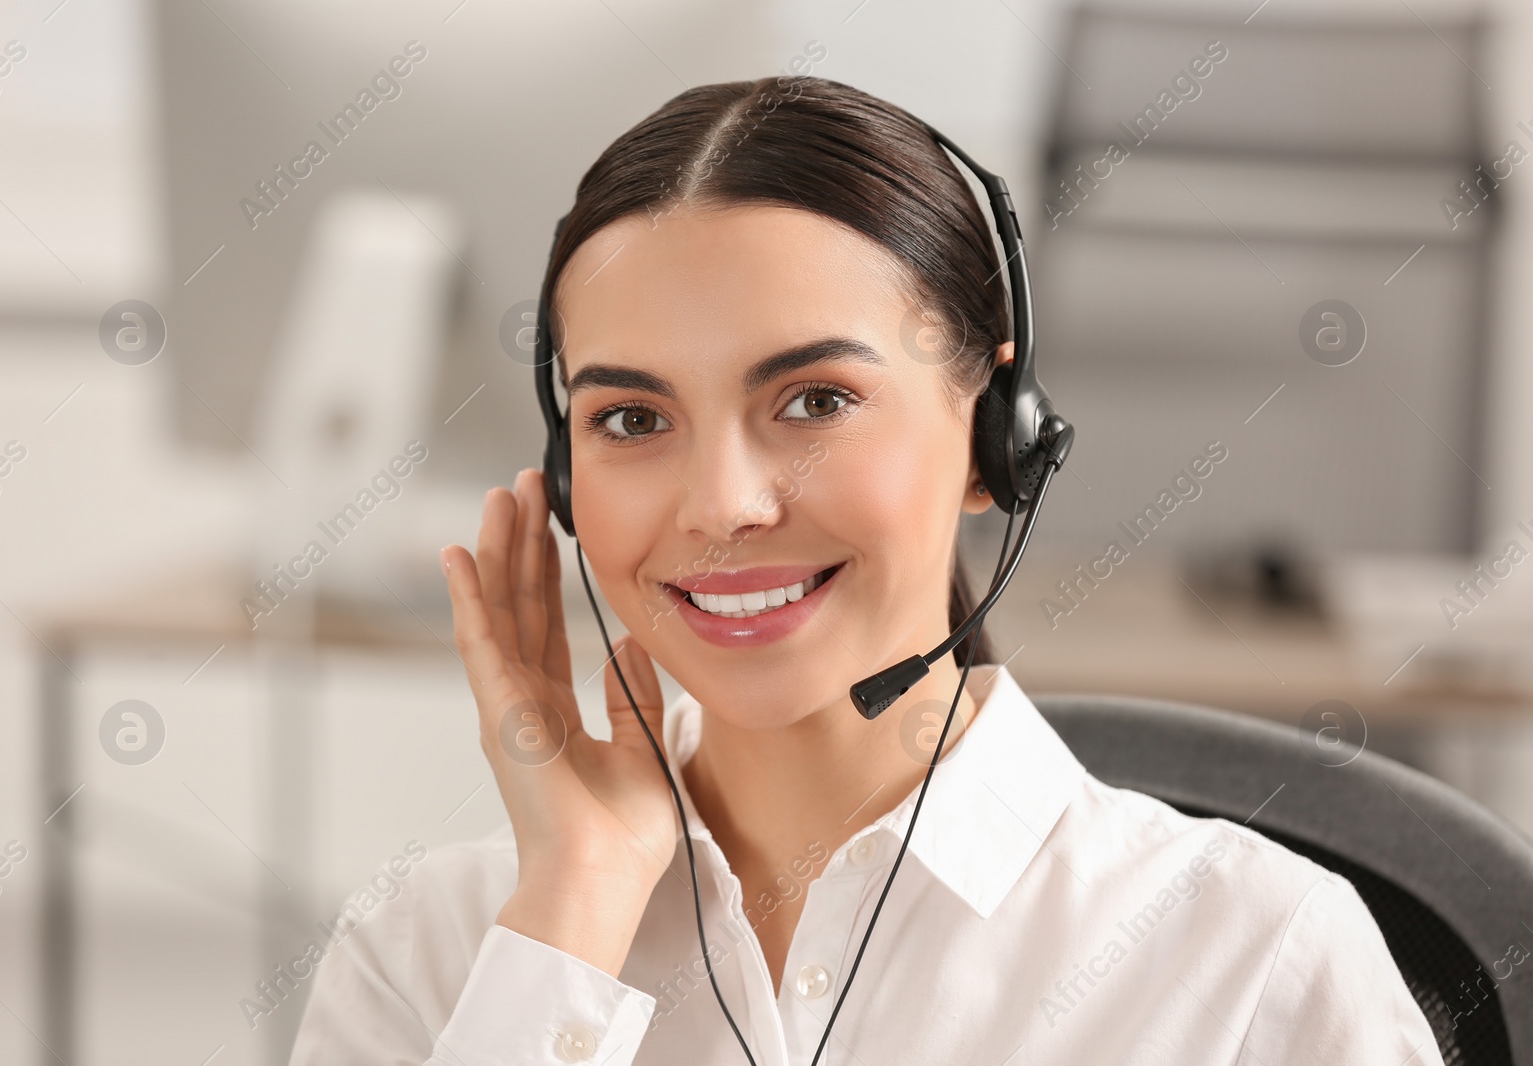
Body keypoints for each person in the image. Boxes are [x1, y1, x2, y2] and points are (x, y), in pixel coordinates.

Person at [288, 76, 1443, 1065]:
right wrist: (570, 915)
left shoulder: (1247, 965)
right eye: (634, 419)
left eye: (814, 401)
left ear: (998, 442)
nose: (722, 505)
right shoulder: (429, 954)